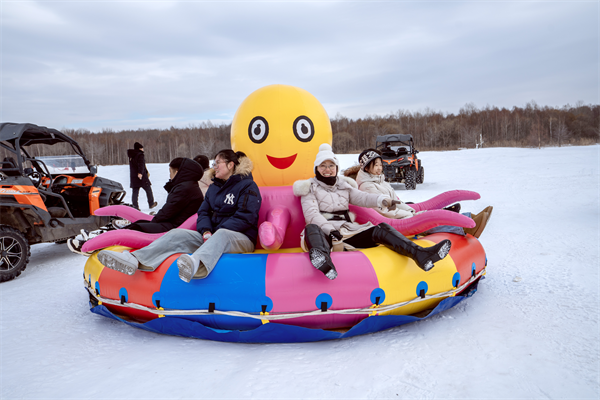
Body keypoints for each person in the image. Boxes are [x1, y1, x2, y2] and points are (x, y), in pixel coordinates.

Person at [96, 150, 261, 283]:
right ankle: (134, 259)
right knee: (177, 233)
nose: (214, 166)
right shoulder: (214, 188)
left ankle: (196, 265)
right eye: (213, 163)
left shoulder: (247, 186)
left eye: (217, 163)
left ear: (231, 165)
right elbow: (203, 212)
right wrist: (205, 231)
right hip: (214, 236)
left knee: (223, 234)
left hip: (241, 238)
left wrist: (216, 232)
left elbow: (246, 217)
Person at [293, 143, 451, 280]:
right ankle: (324, 262)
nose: (327, 170)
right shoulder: (309, 187)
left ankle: (421, 255)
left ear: (336, 168)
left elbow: (361, 197)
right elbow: (312, 215)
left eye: (331, 166)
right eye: (323, 166)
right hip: (323, 233)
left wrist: (381, 200)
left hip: (346, 232)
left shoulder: (343, 185)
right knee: (311, 227)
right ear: (316, 168)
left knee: (381, 228)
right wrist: (331, 230)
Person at [67, 157, 205, 255]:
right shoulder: (188, 187)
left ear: (179, 172)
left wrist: (154, 220)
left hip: (172, 227)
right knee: (140, 224)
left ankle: (91, 245)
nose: (170, 176)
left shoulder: (184, 188)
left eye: (171, 172)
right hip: (173, 223)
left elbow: (169, 211)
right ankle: (95, 239)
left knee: (137, 227)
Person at [355, 148, 493, 238]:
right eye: (375, 165)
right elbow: (384, 211)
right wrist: (409, 215)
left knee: (422, 212)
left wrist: (409, 210)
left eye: (380, 164)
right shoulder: (367, 187)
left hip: (397, 214)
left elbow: (395, 202)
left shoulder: (380, 181)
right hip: (390, 221)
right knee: (427, 219)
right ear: (367, 167)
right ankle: (465, 228)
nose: (379, 168)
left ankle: (470, 217)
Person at [128, 142, 157, 210]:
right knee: (148, 189)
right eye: (142, 148)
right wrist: (140, 173)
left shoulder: (132, 155)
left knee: (135, 191)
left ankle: (135, 206)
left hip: (133, 176)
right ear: (139, 148)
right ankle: (151, 203)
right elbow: (141, 164)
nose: (143, 149)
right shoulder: (140, 155)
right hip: (141, 176)